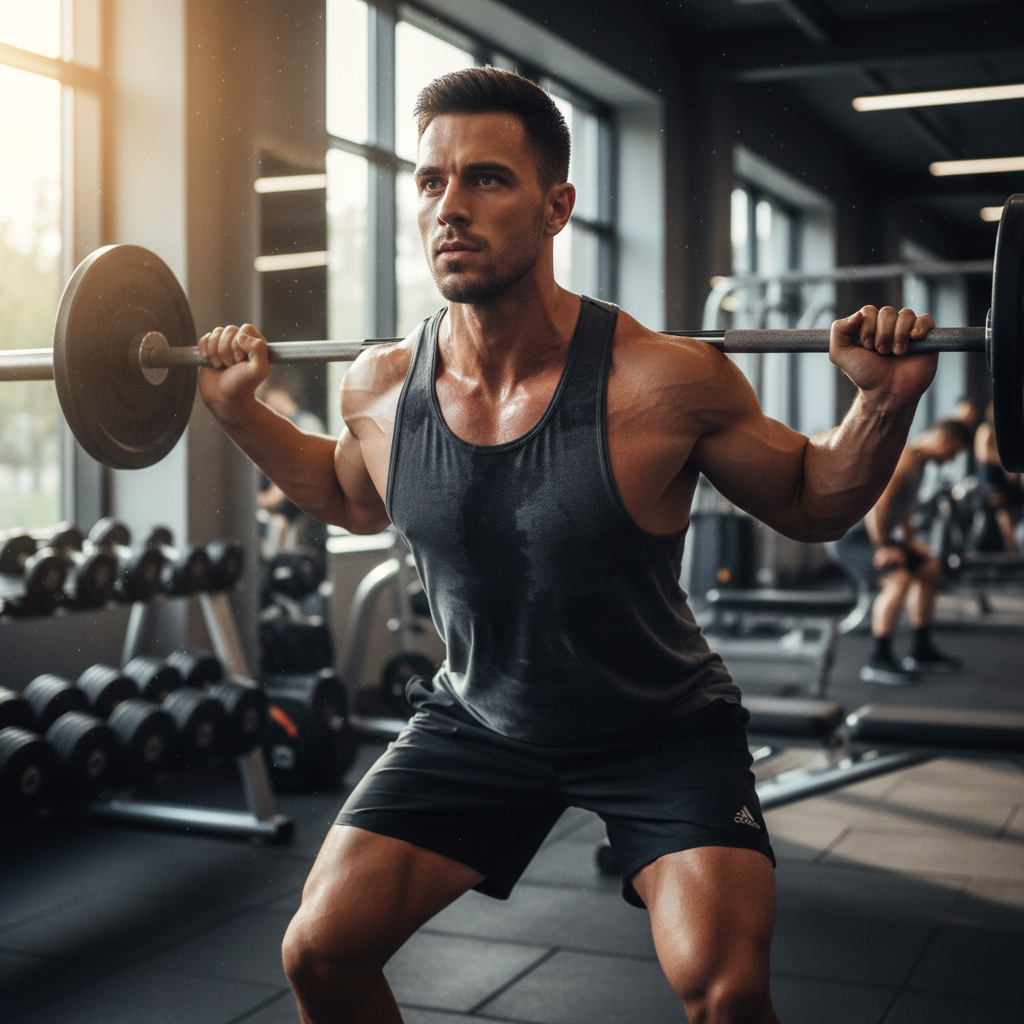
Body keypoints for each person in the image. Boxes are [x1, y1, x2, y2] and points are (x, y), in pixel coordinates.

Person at [197, 67, 941, 1024]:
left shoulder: (662, 379)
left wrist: (881, 402)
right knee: (320, 954)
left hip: (661, 730)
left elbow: (809, 501)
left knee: (724, 993)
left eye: (487, 180)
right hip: (480, 720)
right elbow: (349, 497)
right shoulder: (381, 385)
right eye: (431, 182)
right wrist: (239, 413)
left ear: (557, 208)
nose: (450, 209)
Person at [834, 417, 970, 684]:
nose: (953, 460)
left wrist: (908, 542)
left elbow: (903, 506)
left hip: (874, 535)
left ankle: (920, 650)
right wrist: (884, 546)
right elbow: (877, 505)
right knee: (898, 580)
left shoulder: (918, 462)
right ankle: (879, 659)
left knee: (929, 568)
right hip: (853, 539)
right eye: (954, 452)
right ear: (944, 440)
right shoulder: (905, 459)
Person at [256, 380, 328, 556]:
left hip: (303, 520)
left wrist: (269, 498)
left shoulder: (305, 423)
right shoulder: (283, 427)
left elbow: (299, 471)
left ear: (275, 395)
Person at [974, 401, 1022, 553]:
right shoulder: (985, 430)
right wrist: (1005, 465)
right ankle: (1012, 548)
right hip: (990, 478)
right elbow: (983, 455)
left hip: (999, 478)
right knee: (1002, 511)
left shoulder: (1001, 432)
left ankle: (1013, 547)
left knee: (1008, 509)